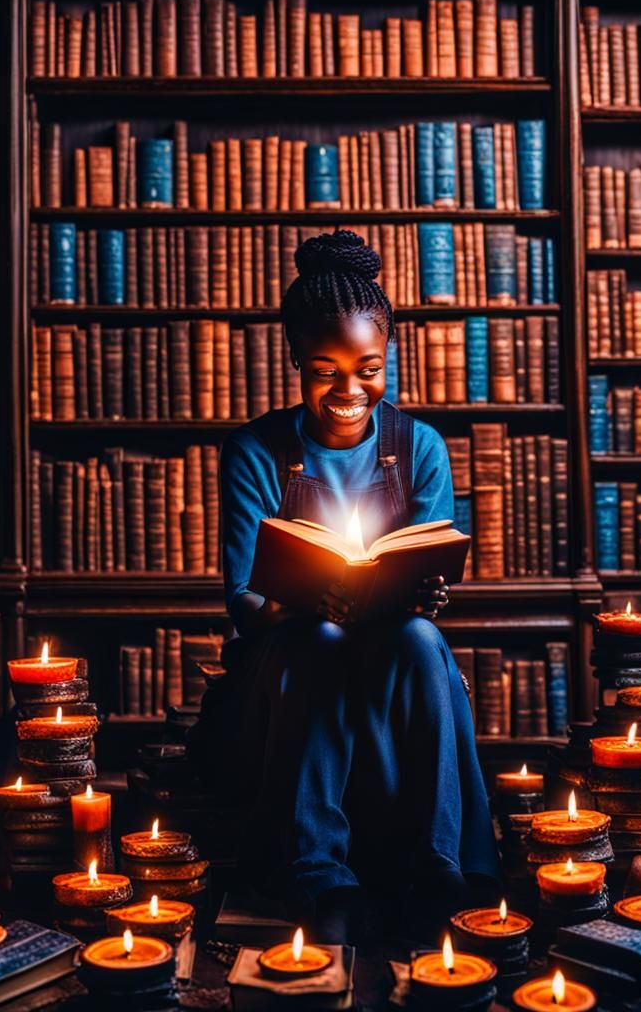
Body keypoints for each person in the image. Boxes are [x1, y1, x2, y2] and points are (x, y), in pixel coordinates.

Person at [188, 230, 500, 944]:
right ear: (297, 362)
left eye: (369, 370)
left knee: (423, 638)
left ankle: (439, 866)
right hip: (291, 653)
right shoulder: (255, 449)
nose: (349, 391)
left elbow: (427, 555)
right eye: (326, 371)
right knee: (320, 639)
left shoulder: (419, 446)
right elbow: (241, 599)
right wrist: (302, 598)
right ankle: (318, 874)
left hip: (392, 644)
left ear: (387, 362)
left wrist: (424, 594)